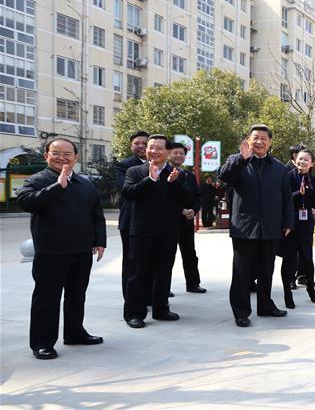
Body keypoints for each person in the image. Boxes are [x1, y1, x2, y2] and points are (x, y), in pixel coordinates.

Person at [18, 138, 106, 360]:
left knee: (77, 295)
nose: (62, 157)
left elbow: (96, 214)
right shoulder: (37, 180)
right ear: (46, 156)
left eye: (68, 154)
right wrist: (58, 186)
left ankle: (75, 333)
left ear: (76, 157)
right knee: (47, 298)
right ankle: (42, 342)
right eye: (56, 153)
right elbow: (26, 202)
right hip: (50, 252)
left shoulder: (86, 184)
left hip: (81, 250)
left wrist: (99, 241)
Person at [219, 125, 294, 328]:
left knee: (266, 269)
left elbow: (287, 197)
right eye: (255, 138)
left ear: (270, 142)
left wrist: (288, 221)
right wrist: (241, 160)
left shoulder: (279, 168)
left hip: (271, 227)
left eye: (263, 138)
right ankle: (241, 312)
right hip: (244, 226)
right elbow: (224, 177)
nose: (259, 142)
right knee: (242, 272)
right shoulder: (237, 161)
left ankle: (265, 305)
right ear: (248, 140)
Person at [121, 135, 192, 329]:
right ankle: (134, 313)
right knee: (138, 273)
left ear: (167, 152)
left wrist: (174, 183)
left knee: (163, 271)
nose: (153, 151)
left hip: (168, 231)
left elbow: (187, 199)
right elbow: (128, 193)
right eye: (150, 147)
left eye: (159, 148)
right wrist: (150, 179)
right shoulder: (135, 171)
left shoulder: (177, 173)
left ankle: (161, 308)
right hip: (141, 231)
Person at [278, 146, 315, 308]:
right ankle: (287, 294)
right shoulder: (287, 177)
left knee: (307, 259)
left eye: (306, 160)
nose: (302, 162)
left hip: (306, 224)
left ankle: (310, 287)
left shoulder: (314, 180)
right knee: (289, 260)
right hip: (291, 224)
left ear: (311, 164)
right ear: (295, 160)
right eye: (300, 159)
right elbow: (281, 198)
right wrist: (298, 194)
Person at [168, 143, 206, 294]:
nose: (178, 156)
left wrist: (193, 210)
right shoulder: (163, 173)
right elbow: (164, 199)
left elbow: (198, 196)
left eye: (181, 154)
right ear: (168, 154)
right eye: (175, 153)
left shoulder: (189, 175)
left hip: (187, 222)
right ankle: (163, 287)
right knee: (167, 255)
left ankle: (193, 283)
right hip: (169, 221)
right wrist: (180, 210)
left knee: (190, 254)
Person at [114, 130, 148, 299]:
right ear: (131, 146)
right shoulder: (124, 165)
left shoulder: (162, 164)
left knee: (152, 261)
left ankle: (150, 295)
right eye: (137, 143)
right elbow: (126, 190)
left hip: (155, 222)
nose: (141, 146)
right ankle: (131, 298)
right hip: (131, 220)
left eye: (144, 143)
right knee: (131, 261)